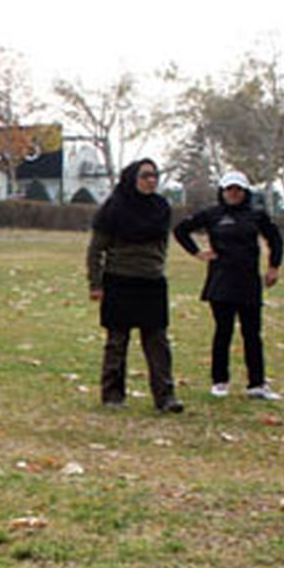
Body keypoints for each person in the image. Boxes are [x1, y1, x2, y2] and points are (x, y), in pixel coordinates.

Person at [173, 171, 284, 400]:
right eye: (229, 189)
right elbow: (181, 230)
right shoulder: (213, 214)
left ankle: (256, 384)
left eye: (238, 190)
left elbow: (275, 239)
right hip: (221, 282)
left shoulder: (256, 215)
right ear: (222, 192)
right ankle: (220, 381)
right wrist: (197, 253)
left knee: (252, 333)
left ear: (245, 192)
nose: (233, 194)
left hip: (249, 282)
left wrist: (274, 267)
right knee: (223, 332)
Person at [86, 158, 184, 413]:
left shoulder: (161, 207)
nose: (151, 180)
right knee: (117, 341)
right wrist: (95, 284)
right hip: (119, 280)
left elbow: (161, 244)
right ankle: (112, 395)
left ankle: (165, 397)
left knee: (157, 342)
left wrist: (156, 267)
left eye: (155, 175)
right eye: (146, 176)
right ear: (132, 179)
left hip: (152, 282)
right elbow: (96, 250)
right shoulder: (113, 209)